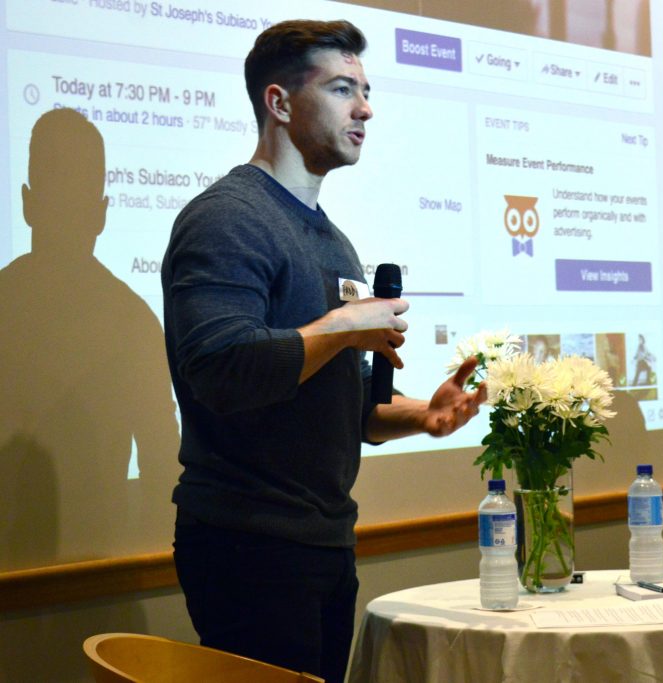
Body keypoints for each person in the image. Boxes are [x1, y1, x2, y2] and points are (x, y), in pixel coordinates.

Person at [161, 20, 486, 682]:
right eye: (343, 89)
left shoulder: (334, 243)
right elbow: (222, 370)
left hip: (324, 540)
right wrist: (343, 324)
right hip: (248, 544)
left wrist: (422, 415)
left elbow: (345, 411)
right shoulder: (226, 219)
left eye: (365, 91)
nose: (365, 108)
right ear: (279, 103)